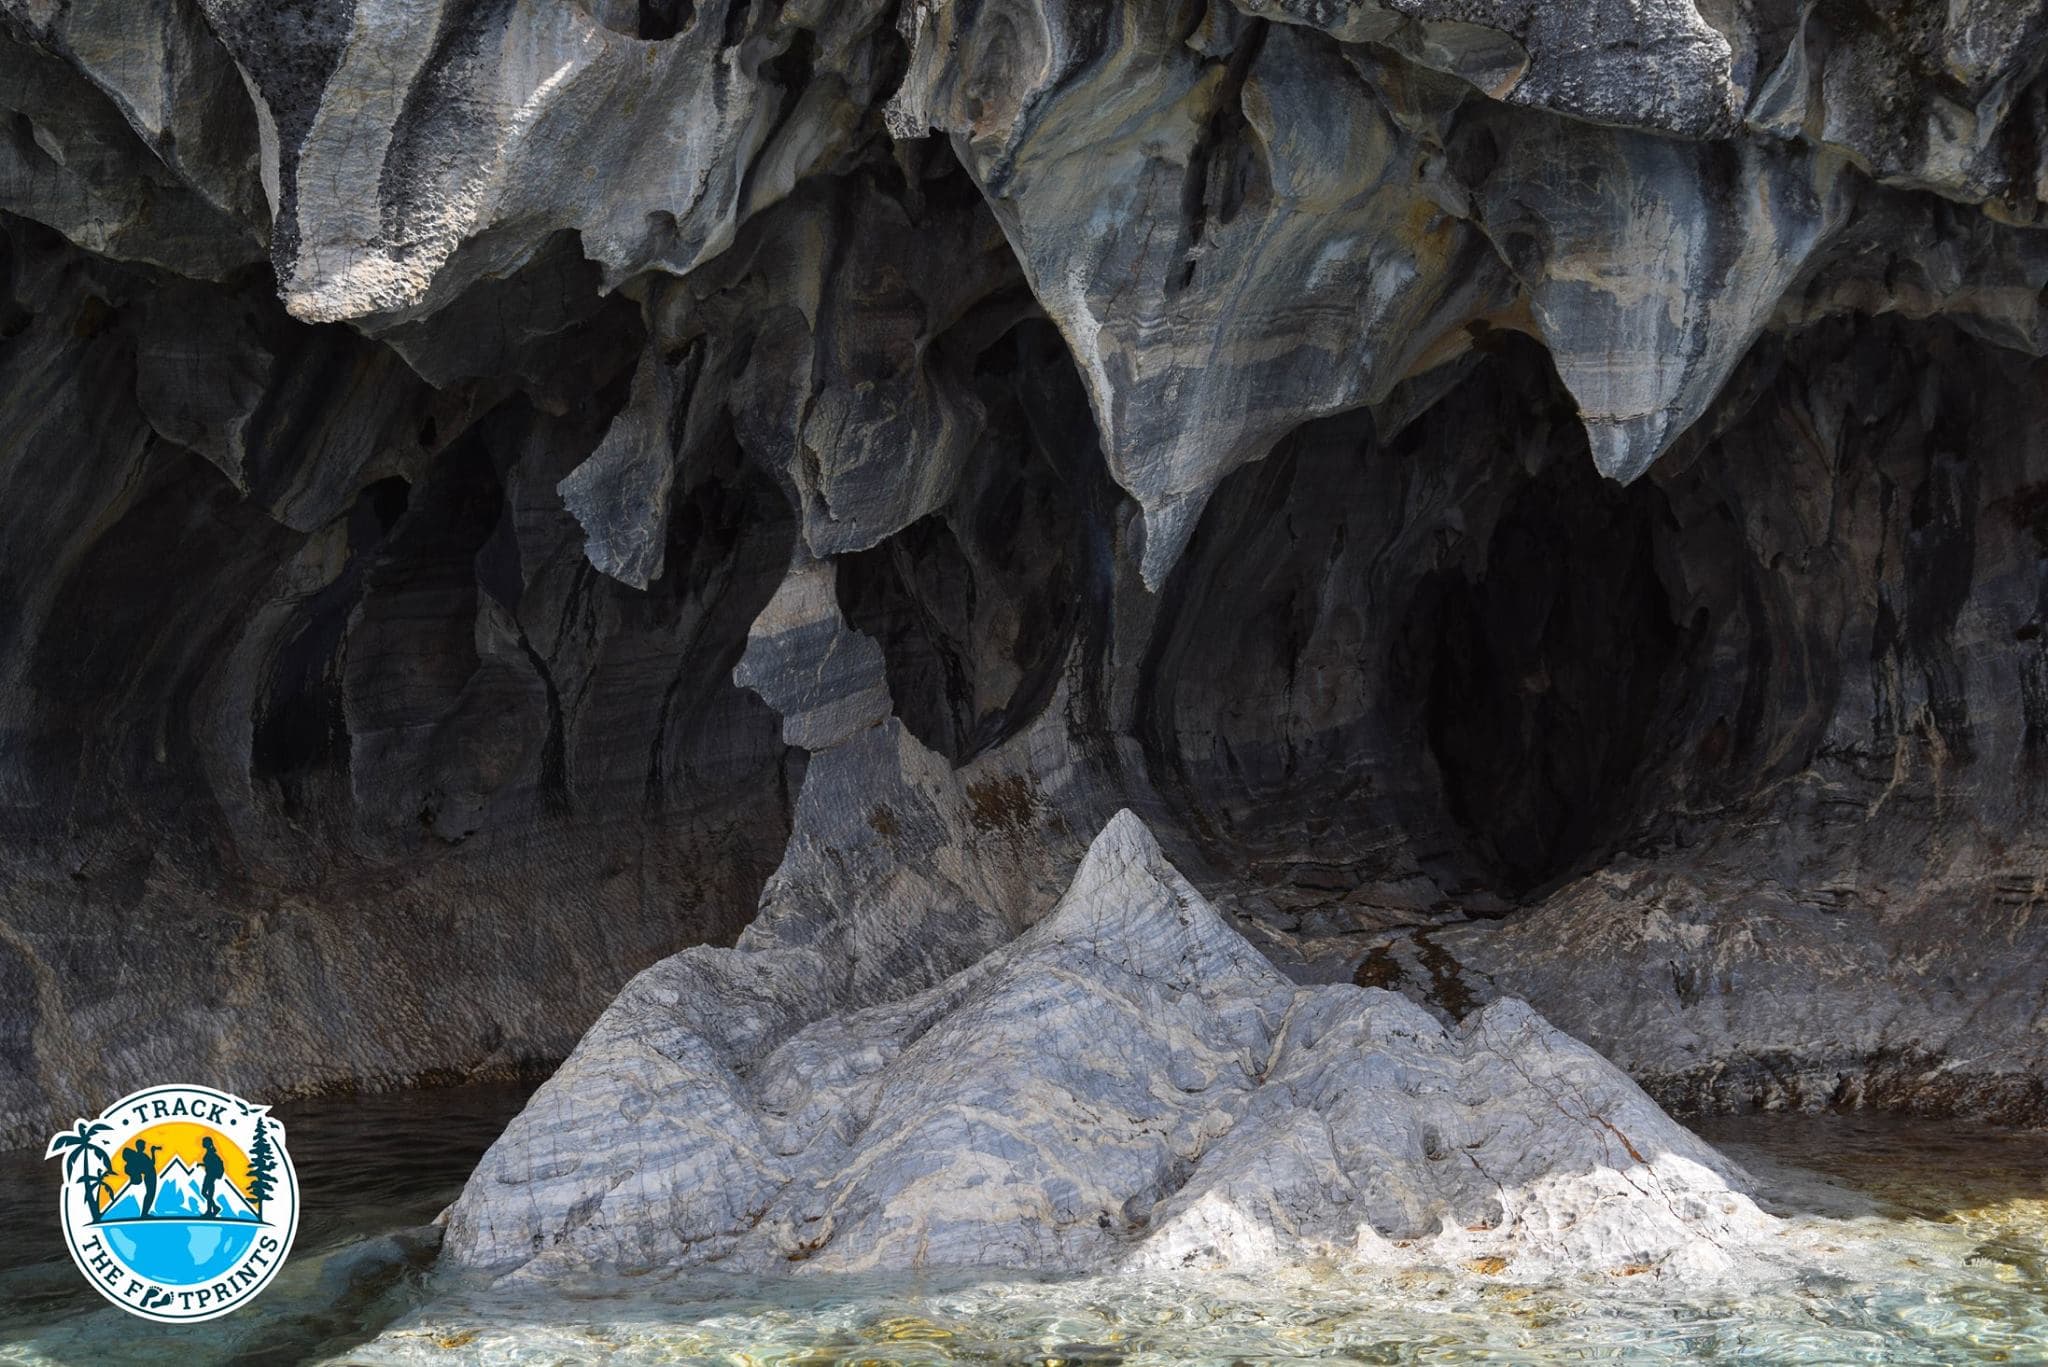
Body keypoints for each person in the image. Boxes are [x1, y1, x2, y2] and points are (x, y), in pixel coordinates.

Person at [120, 1139, 159, 1219]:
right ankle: (144, 1214)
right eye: (143, 1146)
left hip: (150, 1175)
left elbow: (151, 1164)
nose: (144, 1147)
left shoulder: (141, 1156)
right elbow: (151, 1164)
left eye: (144, 1146)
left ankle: (144, 1213)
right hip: (150, 1175)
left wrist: (152, 1152)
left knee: (150, 1194)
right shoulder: (139, 1156)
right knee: (150, 1194)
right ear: (139, 1146)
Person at [198, 1137, 226, 1218]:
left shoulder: (210, 1153)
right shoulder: (210, 1152)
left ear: (207, 1143)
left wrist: (203, 1165)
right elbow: (210, 1164)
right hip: (210, 1175)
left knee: (205, 1193)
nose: (202, 1143)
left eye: (203, 1142)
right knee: (208, 1194)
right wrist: (202, 1164)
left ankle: (211, 1210)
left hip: (210, 1176)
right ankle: (213, 1208)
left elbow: (211, 1165)